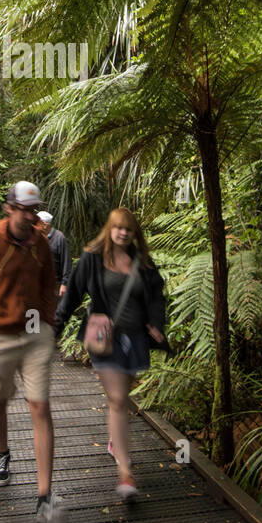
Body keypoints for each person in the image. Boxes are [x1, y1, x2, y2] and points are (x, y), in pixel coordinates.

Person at [0, 181, 66, 523]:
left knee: (40, 405)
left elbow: (49, 285)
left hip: (36, 334)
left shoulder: (40, 242)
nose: (29, 215)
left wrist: (49, 324)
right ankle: (3, 453)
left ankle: (44, 496)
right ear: (9, 209)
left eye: (33, 209)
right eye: (23, 209)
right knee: (1, 400)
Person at [55, 208, 166, 502]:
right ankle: (125, 473)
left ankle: (116, 442)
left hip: (136, 340)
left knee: (122, 399)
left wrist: (156, 324)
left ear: (133, 234)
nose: (122, 233)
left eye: (128, 229)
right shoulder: (93, 258)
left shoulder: (142, 262)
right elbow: (73, 294)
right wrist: (55, 326)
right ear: (109, 229)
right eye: (117, 228)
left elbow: (156, 295)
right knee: (117, 401)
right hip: (105, 338)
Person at [37, 210, 71, 298]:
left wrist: (64, 284)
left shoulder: (59, 237)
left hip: (55, 284)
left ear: (44, 225)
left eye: (37, 223)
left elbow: (66, 262)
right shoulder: (35, 237)